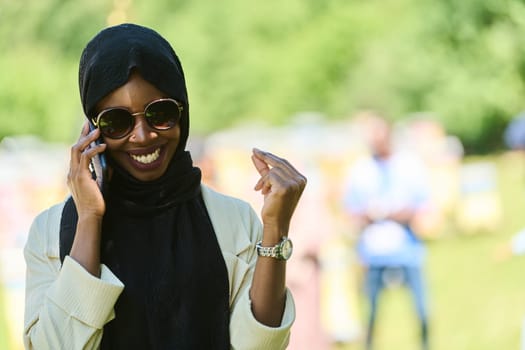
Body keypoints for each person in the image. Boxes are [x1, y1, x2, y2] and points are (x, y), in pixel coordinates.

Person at [23, 23, 306, 350]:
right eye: (117, 122)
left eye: (161, 113)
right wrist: (89, 218)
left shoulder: (232, 221)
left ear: (182, 112)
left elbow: (259, 347)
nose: (142, 136)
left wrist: (275, 228)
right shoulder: (51, 231)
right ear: (92, 130)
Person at [343, 115, 431, 350]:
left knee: (422, 311)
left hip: (407, 250)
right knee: (371, 313)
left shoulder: (409, 165)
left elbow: (423, 208)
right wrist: (371, 215)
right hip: (373, 254)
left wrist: (391, 213)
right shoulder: (360, 170)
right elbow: (351, 213)